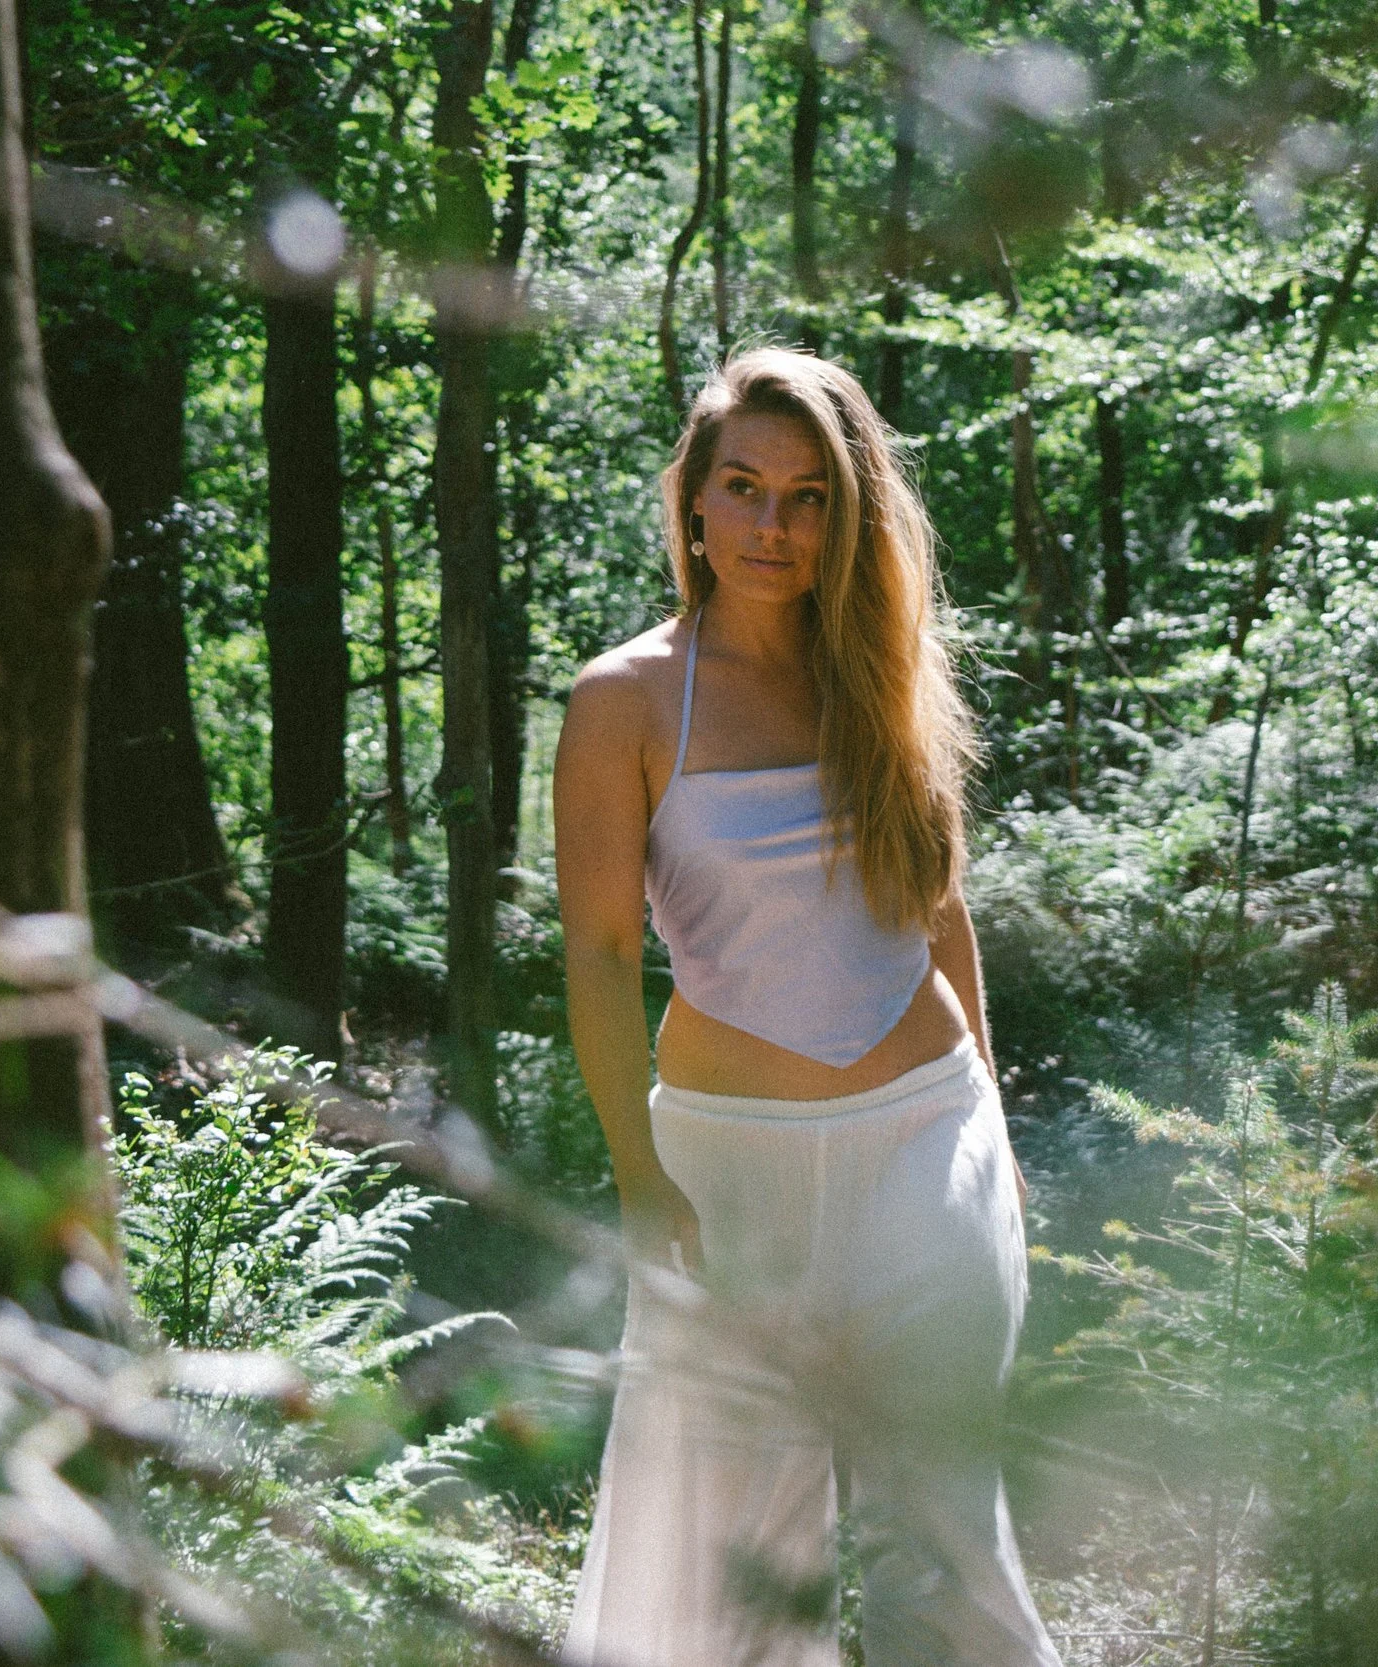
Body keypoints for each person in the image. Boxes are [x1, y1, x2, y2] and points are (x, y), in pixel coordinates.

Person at [553, 347, 1060, 1667]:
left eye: (809, 495)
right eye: (746, 488)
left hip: (924, 1144)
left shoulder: (878, 673)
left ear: (845, 512)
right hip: (729, 1179)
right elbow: (603, 952)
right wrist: (635, 1172)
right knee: (721, 1568)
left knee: (939, 1536)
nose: (775, 524)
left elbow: (937, 905)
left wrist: (991, 1128)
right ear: (696, 507)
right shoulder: (622, 701)